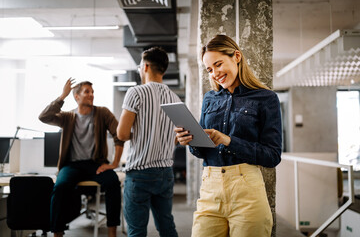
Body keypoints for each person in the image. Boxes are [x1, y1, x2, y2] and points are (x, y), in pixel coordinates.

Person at [175, 34, 282, 237]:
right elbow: (202, 152)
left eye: (218, 64)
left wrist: (228, 140)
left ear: (237, 56)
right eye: (209, 69)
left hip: (247, 192)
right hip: (210, 187)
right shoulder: (209, 99)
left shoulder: (266, 98)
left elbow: (272, 156)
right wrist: (189, 140)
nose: (215, 73)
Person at [39, 79, 122, 237]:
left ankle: (112, 232)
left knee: (113, 182)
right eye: (87, 92)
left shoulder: (102, 113)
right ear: (76, 97)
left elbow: (119, 135)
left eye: (92, 92)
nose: (91, 95)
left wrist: (115, 163)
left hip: (95, 164)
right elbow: (44, 117)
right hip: (72, 165)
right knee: (59, 187)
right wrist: (62, 96)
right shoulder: (68, 117)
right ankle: (57, 232)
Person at [116, 47, 180, 237]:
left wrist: (141, 131)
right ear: (164, 70)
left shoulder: (136, 93)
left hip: (140, 173)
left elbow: (121, 134)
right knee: (166, 226)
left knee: (136, 230)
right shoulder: (174, 98)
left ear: (145, 66)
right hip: (166, 173)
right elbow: (177, 138)